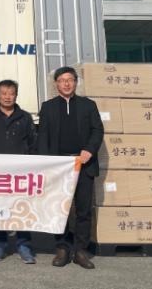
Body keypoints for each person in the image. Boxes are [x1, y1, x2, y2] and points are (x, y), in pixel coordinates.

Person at [38, 66, 104, 270]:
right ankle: (62, 248)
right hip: (59, 168)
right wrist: (48, 164)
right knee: (60, 209)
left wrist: (89, 150)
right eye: (62, 80)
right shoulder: (48, 107)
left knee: (83, 210)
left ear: (75, 82)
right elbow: (43, 137)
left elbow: (97, 130)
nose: (66, 83)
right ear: (56, 84)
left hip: (83, 164)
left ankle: (81, 251)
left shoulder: (88, 105)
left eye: (70, 80)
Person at [0, 79, 37, 264]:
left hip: (21, 173)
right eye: (3, 93)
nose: (7, 97)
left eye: (11, 93)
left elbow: (33, 144)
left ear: (16, 95)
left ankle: (24, 245)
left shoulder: (25, 117)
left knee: (22, 208)